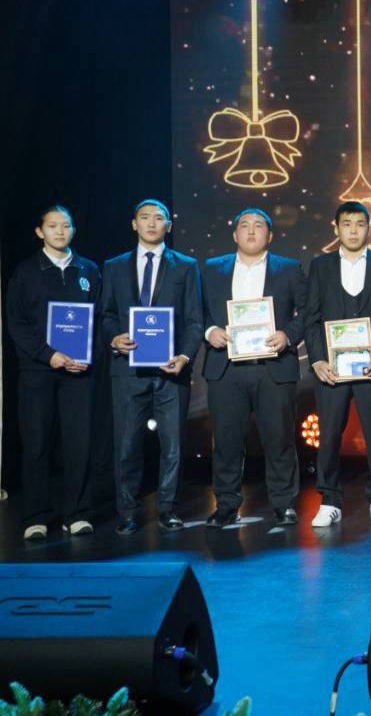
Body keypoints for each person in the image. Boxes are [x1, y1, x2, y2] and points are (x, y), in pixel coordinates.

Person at [99, 199, 204, 534]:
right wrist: (114, 338)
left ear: (168, 226)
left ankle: (168, 509)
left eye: (159, 218)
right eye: (144, 217)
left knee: (173, 446)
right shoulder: (114, 266)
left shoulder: (186, 266)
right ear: (134, 224)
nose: (151, 223)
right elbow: (106, 314)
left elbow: (194, 319)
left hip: (171, 371)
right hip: (127, 371)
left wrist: (184, 356)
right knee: (127, 445)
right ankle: (127, 511)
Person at [200, 208, 308, 528]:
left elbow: (308, 312)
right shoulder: (212, 269)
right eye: (244, 225)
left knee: (279, 439)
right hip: (226, 367)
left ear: (269, 236)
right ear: (235, 234)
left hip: (273, 366)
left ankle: (284, 504)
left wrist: (288, 335)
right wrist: (210, 331)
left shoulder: (289, 269)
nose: (251, 231)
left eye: (258, 226)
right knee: (226, 441)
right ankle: (226, 505)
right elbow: (196, 310)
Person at [304, 202, 371, 528]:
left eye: (359, 224)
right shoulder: (320, 266)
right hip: (331, 369)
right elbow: (311, 317)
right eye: (346, 224)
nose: (353, 230)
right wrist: (317, 360)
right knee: (329, 434)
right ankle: (329, 500)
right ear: (336, 228)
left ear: (368, 228)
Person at [6, 205, 101, 540]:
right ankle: (36, 516)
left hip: (79, 372)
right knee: (37, 443)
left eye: (66, 225)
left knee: (79, 444)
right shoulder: (25, 272)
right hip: (37, 371)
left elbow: (99, 320)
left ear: (73, 230)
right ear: (39, 232)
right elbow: (17, 324)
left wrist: (88, 356)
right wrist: (50, 356)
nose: (60, 231)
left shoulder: (89, 269)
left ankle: (77, 513)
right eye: (52, 226)